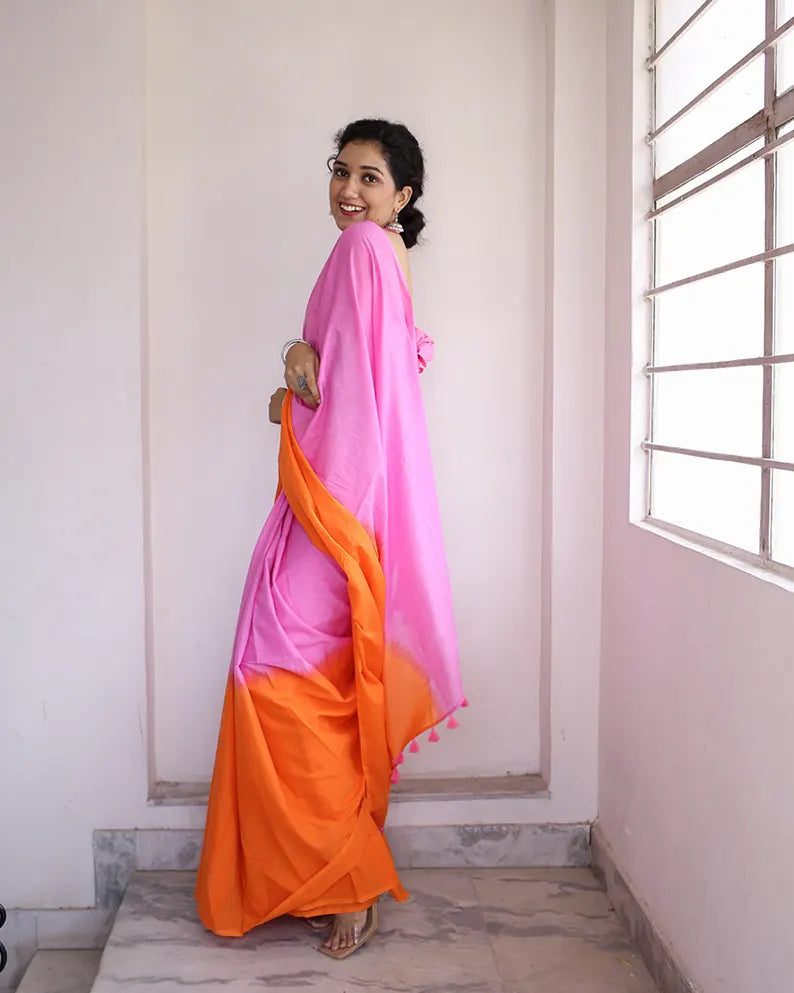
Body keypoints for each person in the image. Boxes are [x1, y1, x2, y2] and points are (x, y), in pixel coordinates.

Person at [195, 119, 464, 960]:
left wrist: (288, 405)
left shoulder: (360, 253)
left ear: (403, 196)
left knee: (282, 686)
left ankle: (344, 879)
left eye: (371, 177)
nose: (349, 190)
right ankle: (322, 871)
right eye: (341, 172)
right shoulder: (385, 257)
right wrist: (297, 353)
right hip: (347, 503)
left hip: (333, 505)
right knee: (312, 690)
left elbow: (349, 398)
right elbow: (382, 368)